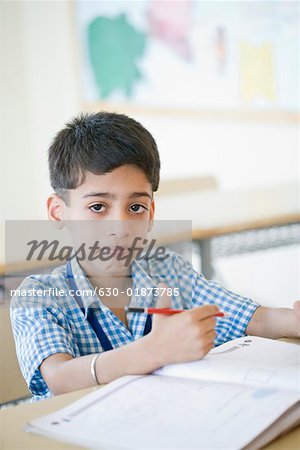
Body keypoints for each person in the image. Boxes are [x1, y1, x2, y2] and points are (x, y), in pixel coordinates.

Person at [10, 112, 300, 400]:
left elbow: (252, 319)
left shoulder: (169, 272)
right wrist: (151, 352)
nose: (120, 227)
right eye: (98, 207)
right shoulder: (40, 296)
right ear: (57, 211)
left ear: (151, 214)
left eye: (136, 208)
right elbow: (60, 378)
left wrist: (292, 320)